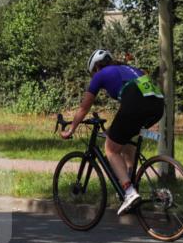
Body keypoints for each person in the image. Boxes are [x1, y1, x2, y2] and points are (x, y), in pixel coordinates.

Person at [60, 49, 164, 215]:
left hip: (135, 101)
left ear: (96, 68)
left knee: (110, 149)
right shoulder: (129, 69)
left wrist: (71, 128)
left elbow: (84, 107)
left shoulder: (100, 75)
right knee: (122, 136)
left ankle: (129, 192)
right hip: (158, 105)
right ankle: (130, 178)